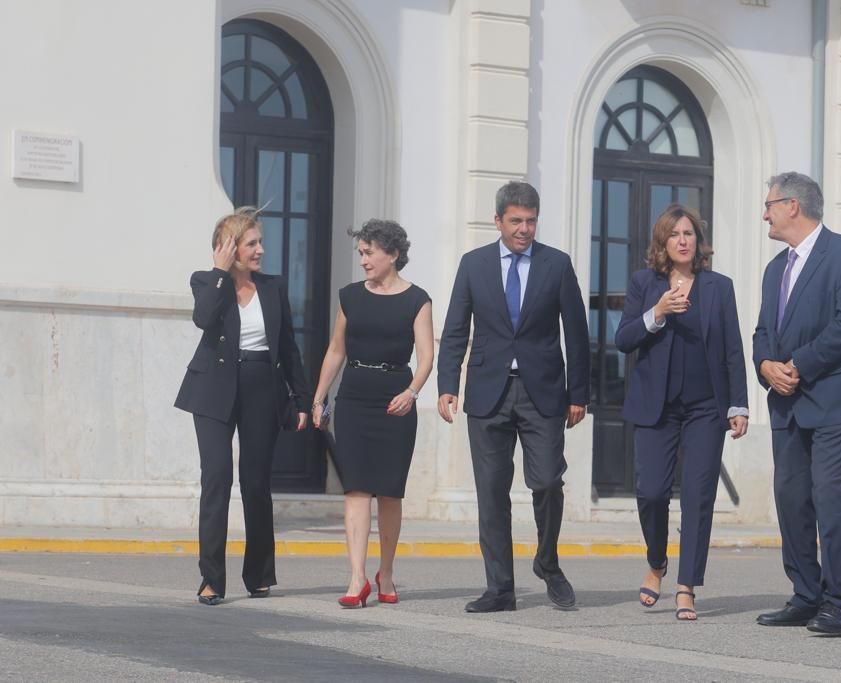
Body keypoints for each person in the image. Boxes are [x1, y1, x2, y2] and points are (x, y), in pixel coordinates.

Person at [437, 181, 590, 612]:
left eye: (531, 221)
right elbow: (454, 329)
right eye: (516, 221)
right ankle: (500, 589)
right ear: (499, 220)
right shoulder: (474, 264)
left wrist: (578, 393)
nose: (524, 229)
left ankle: (547, 562)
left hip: (543, 392)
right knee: (491, 490)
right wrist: (448, 384)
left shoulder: (556, 265)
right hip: (487, 392)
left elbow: (576, 334)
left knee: (546, 480)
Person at [751, 172, 841, 635]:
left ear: (793, 205)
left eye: (769, 204)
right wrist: (766, 365)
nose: (764, 212)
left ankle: (838, 602)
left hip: (833, 394)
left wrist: (797, 364)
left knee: (828, 493)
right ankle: (806, 595)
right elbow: (762, 332)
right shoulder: (775, 269)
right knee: (791, 498)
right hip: (786, 400)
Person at [614, 204, 748, 622]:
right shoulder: (644, 284)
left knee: (697, 497)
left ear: (698, 241)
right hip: (657, 408)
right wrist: (658, 313)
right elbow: (623, 339)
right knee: (651, 492)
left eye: (689, 233)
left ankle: (687, 586)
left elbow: (732, 348)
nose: (683, 240)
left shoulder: (718, 288)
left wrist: (738, 403)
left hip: (706, 408)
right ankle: (657, 562)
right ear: (663, 242)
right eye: (675, 235)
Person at [174, 206, 310, 605]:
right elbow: (203, 319)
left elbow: (288, 346)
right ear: (230, 247)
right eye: (251, 243)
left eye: (260, 242)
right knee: (216, 478)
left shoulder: (273, 287)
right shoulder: (206, 281)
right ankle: (211, 578)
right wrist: (219, 273)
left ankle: (260, 575)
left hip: (261, 388)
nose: (261, 250)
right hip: (214, 389)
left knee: (256, 482)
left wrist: (300, 398)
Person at [311, 219, 433, 608]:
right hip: (355, 398)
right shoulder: (350, 296)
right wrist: (319, 398)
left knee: (390, 494)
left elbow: (427, 357)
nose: (363, 260)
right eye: (360, 253)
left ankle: (387, 572)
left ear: (393, 254)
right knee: (356, 489)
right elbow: (335, 350)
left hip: (396, 398)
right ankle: (356, 578)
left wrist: (411, 392)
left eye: (369, 253)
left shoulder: (418, 299)